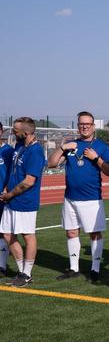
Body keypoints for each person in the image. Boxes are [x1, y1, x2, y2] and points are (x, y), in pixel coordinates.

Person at [47, 111, 109, 282]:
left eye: (88, 124)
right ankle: (73, 268)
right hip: (70, 198)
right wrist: (63, 147)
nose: (84, 126)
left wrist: (96, 158)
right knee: (71, 232)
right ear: (78, 126)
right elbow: (52, 163)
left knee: (94, 234)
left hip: (91, 198)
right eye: (81, 124)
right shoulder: (71, 145)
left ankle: (95, 269)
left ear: (93, 126)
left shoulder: (101, 146)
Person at [0, 117, 45, 287]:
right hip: (11, 199)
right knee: (6, 233)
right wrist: (7, 189)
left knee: (28, 235)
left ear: (25, 133)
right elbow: (14, 171)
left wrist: (10, 194)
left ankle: (27, 273)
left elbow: (29, 181)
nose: (12, 132)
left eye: (15, 130)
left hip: (25, 201)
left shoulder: (36, 152)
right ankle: (21, 271)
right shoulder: (19, 146)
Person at [0, 123, 15, 276]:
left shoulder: (9, 152)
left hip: (2, 197)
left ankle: (2, 266)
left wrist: (7, 190)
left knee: (2, 232)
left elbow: (13, 173)